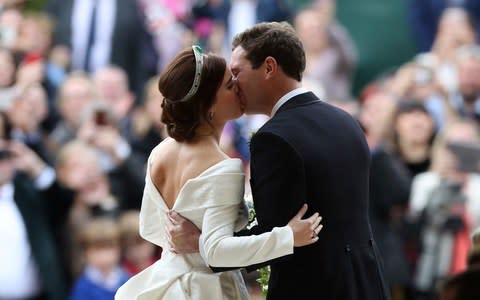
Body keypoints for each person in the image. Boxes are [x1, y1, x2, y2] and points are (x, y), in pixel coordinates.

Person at [167, 22, 391, 300]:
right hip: (368, 284)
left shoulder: (273, 138)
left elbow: (274, 233)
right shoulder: (346, 121)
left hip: (313, 289)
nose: (233, 84)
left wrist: (201, 243)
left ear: (269, 68)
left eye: (237, 72)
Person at [114, 46, 322, 299]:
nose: (238, 88)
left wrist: (193, 244)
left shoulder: (161, 151)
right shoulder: (223, 168)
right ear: (207, 106)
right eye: (228, 85)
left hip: (166, 284)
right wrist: (288, 237)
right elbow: (218, 252)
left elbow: (150, 228)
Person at [70, 217, 130, 300]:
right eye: (97, 251)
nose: (103, 257)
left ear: (119, 249)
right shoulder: (82, 288)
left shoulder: (127, 279)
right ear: (85, 254)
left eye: (108, 249)